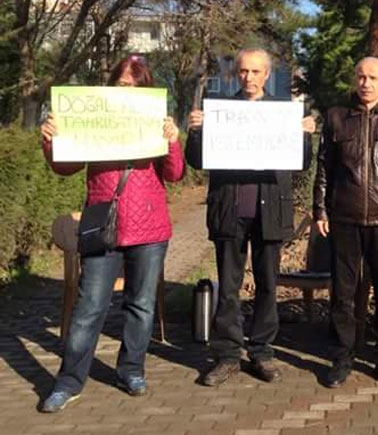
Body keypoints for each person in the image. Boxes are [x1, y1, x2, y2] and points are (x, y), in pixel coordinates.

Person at [39, 55, 185, 412]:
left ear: (146, 89)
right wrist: (51, 141)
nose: (128, 90)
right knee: (89, 307)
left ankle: (131, 370)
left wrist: (173, 140)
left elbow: (175, 173)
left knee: (141, 304)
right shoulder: (94, 120)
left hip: (150, 227)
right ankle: (69, 380)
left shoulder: (156, 122)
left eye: (135, 85)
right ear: (111, 87)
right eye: (122, 84)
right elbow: (65, 166)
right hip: (103, 224)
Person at [185, 48, 315, 387]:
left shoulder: (283, 112)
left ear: (267, 75)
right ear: (235, 74)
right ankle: (227, 355)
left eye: (256, 72)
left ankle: (262, 352)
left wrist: (304, 135)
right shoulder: (221, 111)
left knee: (268, 286)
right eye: (243, 71)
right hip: (230, 210)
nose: (249, 78)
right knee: (228, 288)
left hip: (269, 211)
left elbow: (300, 162)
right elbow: (197, 161)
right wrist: (196, 131)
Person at [313, 56, 378, 388]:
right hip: (343, 219)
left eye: (373, 77)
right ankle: (342, 358)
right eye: (361, 76)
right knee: (342, 294)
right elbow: (324, 169)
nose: (366, 83)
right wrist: (320, 210)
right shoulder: (336, 118)